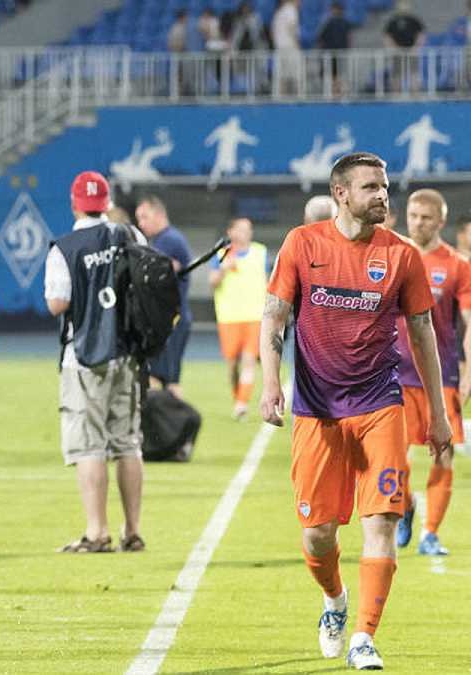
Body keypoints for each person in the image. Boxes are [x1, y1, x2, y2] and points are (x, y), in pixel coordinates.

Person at [260, 152, 453, 670]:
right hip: (317, 411)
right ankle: (335, 600)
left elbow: (423, 335)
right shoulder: (303, 244)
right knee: (317, 534)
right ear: (341, 193)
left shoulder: (401, 255)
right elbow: (274, 316)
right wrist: (270, 382)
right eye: (371, 187)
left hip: (380, 406)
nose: (383, 195)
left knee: (382, 522)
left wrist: (438, 413)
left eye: (385, 187)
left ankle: (364, 637)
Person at [45, 171, 145, 554]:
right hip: (127, 352)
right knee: (127, 443)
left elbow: (57, 303)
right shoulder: (130, 235)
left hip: (84, 356)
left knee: (89, 445)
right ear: (107, 204)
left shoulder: (64, 248)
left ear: (75, 204)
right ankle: (132, 531)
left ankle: (97, 532)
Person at [390, 189, 469, 557]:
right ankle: (405, 504)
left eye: (425, 217)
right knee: (394, 455)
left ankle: (431, 533)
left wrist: (468, 373)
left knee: (443, 454)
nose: (418, 223)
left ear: (440, 221)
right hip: (395, 375)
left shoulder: (458, 265)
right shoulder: (393, 257)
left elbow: (468, 323)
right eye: (413, 216)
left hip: (441, 376)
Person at [208, 217, 267, 420]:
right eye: (241, 229)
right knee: (232, 365)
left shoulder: (260, 251)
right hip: (229, 317)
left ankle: (242, 404)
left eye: (248, 229)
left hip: (255, 315)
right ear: (231, 232)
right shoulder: (222, 253)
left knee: (249, 360)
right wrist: (223, 269)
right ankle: (238, 398)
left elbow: (268, 280)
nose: (246, 233)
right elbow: (212, 282)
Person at [135, 195, 193, 398]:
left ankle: (167, 416)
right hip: (171, 319)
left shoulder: (168, 240)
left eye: (145, 217)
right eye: (138, 218)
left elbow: (151, 276)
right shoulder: (162, 240)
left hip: (171, 321)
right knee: (165, 379)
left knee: (163, 380)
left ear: (159, 215)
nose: (141, 223)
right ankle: (166, 416)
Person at [383, 0, 426, 91]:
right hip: (397, 52)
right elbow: (387, 37)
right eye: (401, 5)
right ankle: (396, 94)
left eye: (405, 5)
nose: (403, 7)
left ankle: (415, 94)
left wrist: (415, 48)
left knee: (414, 73)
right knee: (397, 74)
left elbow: (421, 35)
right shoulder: (393, 21)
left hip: (412, 52)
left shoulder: (414, 21)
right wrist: (394, 48)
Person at [316, 2, 352, 94]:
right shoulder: (329, 23)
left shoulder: (342, 23)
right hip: (332, 53)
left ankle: (337, 91)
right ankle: (335, 92)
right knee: (333, 74)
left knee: (337, 74)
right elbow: (320, 39)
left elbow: (349, 38)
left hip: (337, 53)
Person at [272, 0, 302, 95]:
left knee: (280, 75)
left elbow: (272, 32)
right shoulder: (291, 9)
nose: (300, 2)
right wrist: (297, 43)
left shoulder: (279, 12)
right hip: (290, 46)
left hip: (279, 47)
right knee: (297, 75)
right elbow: (292, 27)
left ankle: (279, 97)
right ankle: (299, 96)